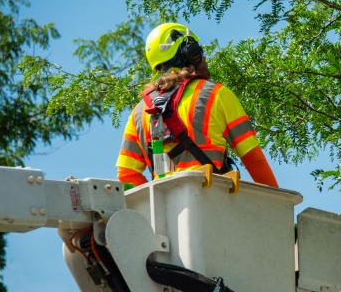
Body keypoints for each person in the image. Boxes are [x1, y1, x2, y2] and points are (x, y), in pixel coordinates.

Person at [116, 23, 279, 188]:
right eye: (199, 50)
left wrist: (155, 200)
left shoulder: (139, 112)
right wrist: (277, 206)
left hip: (165, 211)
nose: (204, 57)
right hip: (212, 205)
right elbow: (254, 160)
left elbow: (126, 173)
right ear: (191, 54)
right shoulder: (216, 94)